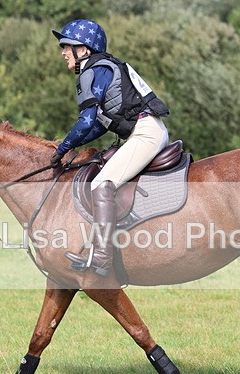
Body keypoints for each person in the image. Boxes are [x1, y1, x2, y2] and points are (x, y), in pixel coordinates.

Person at [50, 19, 170, 277]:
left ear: (83, 49)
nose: (62, 52)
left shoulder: (93, 71)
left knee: (101, 184)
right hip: (145, 130)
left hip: (145, 133)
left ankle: (102, 257)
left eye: (66, 46)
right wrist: (72, 146)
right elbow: (100, 126)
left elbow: (86, 121)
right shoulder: (104, 68)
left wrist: (62, 148)